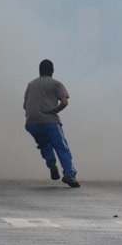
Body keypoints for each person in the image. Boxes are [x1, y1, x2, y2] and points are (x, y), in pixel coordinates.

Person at [23, 58, 79, 188]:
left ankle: (50, 162)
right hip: (50, 121)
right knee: (61, 147)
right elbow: (64, 102)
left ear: (39, 71)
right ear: (52, 71)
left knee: (44, 143)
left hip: (32, 122)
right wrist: (55, 110)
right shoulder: (56, 84)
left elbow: (25, 106)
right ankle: (69, 174)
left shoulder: (31, 84)